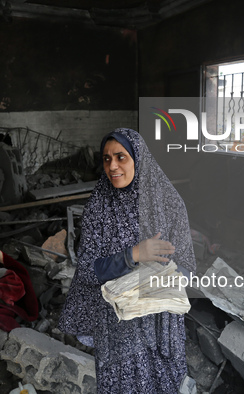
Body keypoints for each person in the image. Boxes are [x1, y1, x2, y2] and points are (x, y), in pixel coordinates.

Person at [58, 128, 196, 393]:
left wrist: (160, 283)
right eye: (107, 158)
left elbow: (186, 265)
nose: (113, 166)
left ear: (138, 158)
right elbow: (87, 269)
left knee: (164, 383)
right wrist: (133, 255)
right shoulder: (99, 206)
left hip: (159, 324)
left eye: (121, 157)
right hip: (116, 324)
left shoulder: (169, 204)